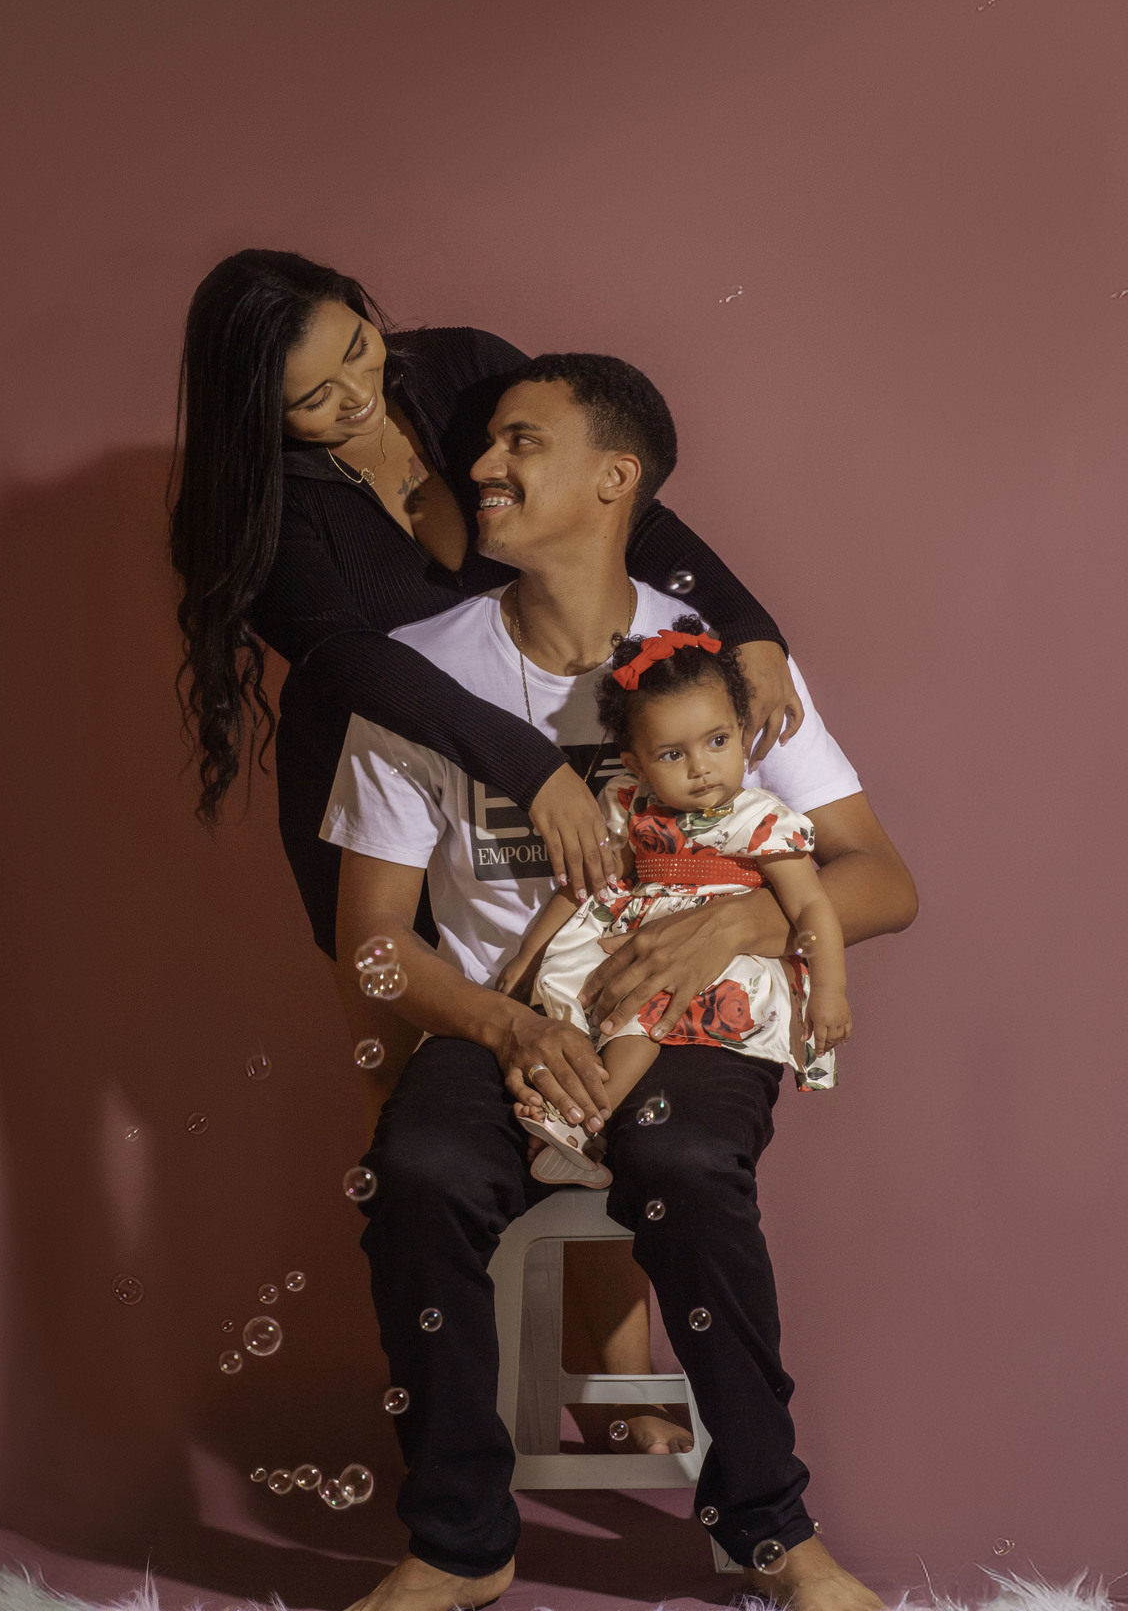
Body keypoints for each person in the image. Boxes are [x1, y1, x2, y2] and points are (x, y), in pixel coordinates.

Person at [169, 249, 800, 1456]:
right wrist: (527, 766)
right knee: (432, 1113)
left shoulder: (459, 372)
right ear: (258, 417)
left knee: (579, 1043)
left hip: (548, 768)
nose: (358, 396)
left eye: (360, 351)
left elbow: (625, 502)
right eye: (314, 400)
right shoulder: (262, 506)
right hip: (388, 785)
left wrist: (749, 624)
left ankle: (610, 1374)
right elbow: (357, 665)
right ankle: (466, 1432)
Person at [326, 352, 917, 1611]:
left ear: (615, 478)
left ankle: (772, 1531)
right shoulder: (417, 670)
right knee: (420, 1170)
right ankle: (458, 1543)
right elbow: (370, 939)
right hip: (501, 1017)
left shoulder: (725, 672)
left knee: (685, 1163)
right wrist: (502, 1027)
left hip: (691, 1025)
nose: (481, 465)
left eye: (520, 441)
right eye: (487, 441)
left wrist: (739, 920)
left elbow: (883, 880)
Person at [503, 616, 849, 1188]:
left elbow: (812, 907)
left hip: (716, 958)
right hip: (637, 937)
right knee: (578, 994)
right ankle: (568, 1114)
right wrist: (530, 953)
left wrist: (830, 991)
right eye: (671, 755)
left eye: (717, 741)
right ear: (636, 764)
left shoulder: (761, 820)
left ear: (742, 733)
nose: (700, 767)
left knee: (638, 1016)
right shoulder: (631, 806)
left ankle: (582, 1120)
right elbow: (583, 884)